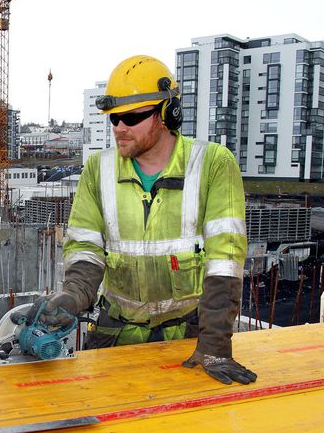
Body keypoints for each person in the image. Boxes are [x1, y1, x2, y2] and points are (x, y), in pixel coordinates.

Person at [30, 55, 256, 385]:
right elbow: (85, 250)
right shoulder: (99, 170)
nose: (120, 127)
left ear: (167, 114)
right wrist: (73, 297)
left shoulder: (212, 165)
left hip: (189, 337)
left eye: (132, 117)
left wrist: (215, 347)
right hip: (115, 335)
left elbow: (225, 262)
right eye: (114, 118)